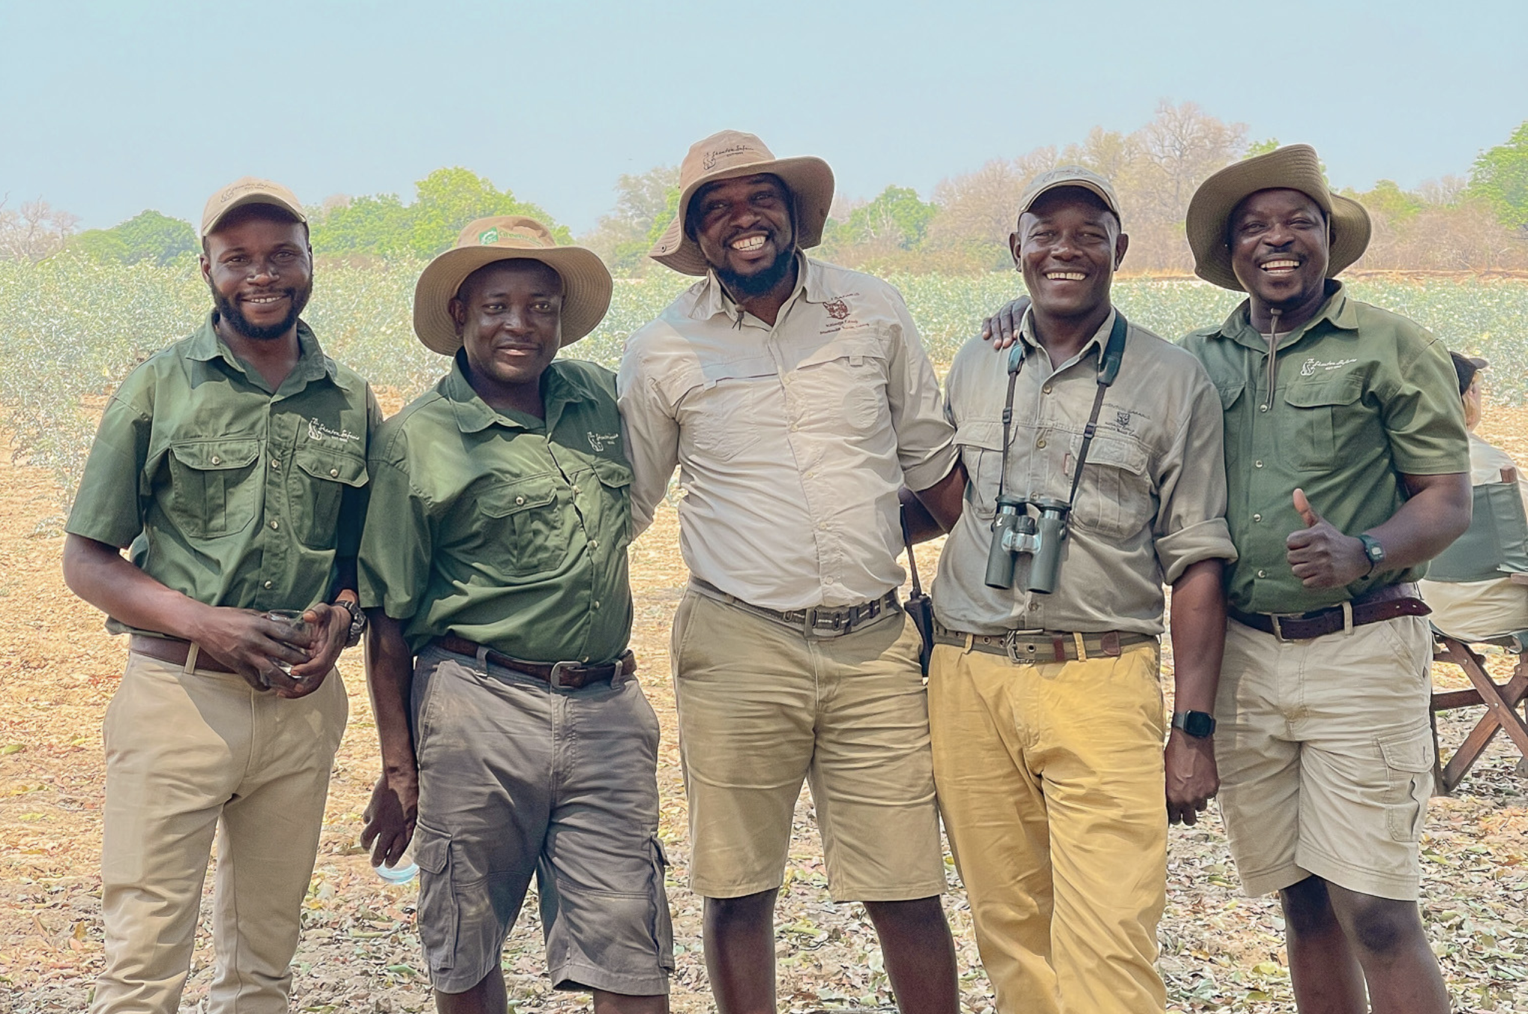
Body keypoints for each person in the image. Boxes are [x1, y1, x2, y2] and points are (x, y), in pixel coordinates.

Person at [618, 130, 963, 1014]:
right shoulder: (665, 347)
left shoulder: (873, 310)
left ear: (793, 212)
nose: (744, 220)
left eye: (759, 198)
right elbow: (629, 503)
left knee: (907, 883)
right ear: (697, 236)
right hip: (739, 642)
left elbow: (936, 471)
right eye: (718, 207)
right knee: (737, 887)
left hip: (877, 642)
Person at [924, 167, 1235, 1014]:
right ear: (1016, 249)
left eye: (1089, 233)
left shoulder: (1171, 381)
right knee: (1011, 930)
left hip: (1097, 675)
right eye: (1046, 233)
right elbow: (944, 499)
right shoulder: (978, 358)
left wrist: (1193, 730)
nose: (1066, 249)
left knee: (1110, 939)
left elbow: (1199, 557)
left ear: (1120, 251)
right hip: (968, 672)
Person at [61, 178, 376, 1014]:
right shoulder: (161, 387)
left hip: (300, 712)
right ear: (206, 269)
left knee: (263, 969)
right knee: (140, 971)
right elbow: (87, 558)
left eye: (282, 255)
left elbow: (360, 557)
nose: (261, 275)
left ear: (311, 262)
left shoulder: (348, 399)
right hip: (178, 698)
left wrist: (341, 621)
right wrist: (205, 622)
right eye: (238, 259)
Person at [1179, 144, 1469, 1012]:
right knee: (1302, 905)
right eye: (1255, 227)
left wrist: (1366, 550)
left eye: (1298, 222)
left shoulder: (1392, 344)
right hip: (1245, 659)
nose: (1278, 240)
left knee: (1376, 910)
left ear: (1327, 238)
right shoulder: (1198, 357)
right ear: (1232, 253)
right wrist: (1013, 312)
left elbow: (1447, 501)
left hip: (1363, 645)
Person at [358, 216, 671, 1014]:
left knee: (629, 941)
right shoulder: (419, 441)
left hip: (608, 708)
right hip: (477, 706)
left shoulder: (602, 398)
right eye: (497, 306)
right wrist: (400, 766)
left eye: (540, 306)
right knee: (464, 940)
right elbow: (389, 618)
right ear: (460, 314)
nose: (520, 325)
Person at [1418, 352, 1528, 640]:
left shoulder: (1401, 459)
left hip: (1431, 611)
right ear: (1466, 398)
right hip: (1504, 609)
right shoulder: (1491, 464)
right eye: (1476, 389)